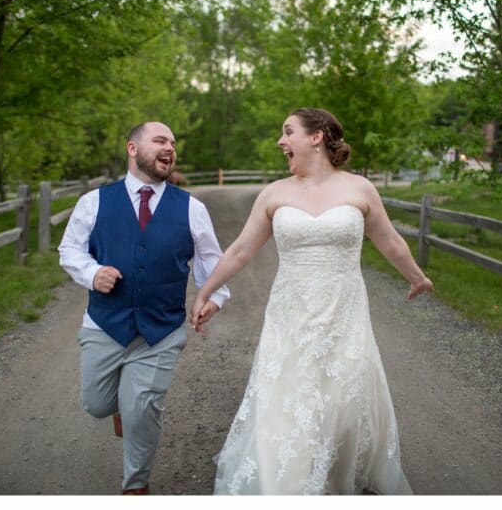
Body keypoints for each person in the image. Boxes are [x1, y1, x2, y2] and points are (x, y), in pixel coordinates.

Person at [190, 108, 433, 495]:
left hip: (344, 311)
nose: (280, 141)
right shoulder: (275, 193)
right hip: (291, 315)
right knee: (287, 395)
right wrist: (204, 290)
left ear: (316, 137)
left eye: (288, 132)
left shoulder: (359, 189)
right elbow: (239, 251)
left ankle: (336, 470)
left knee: (341, 397)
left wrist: (416, 277)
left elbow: (388, 239)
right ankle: (285, 479)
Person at [59, 121, 230, 494]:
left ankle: (136, 486)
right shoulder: (94, 202)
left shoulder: (192, 209)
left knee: (141, 409)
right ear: (133, 149)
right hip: (104, 324)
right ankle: (119, 405)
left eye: (172, 142)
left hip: (161, 331)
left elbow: (212, 264)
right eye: (159, 140)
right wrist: (92, 272)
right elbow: (69, 249)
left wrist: (213, 298)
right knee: (96, 404)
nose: (169, 147)